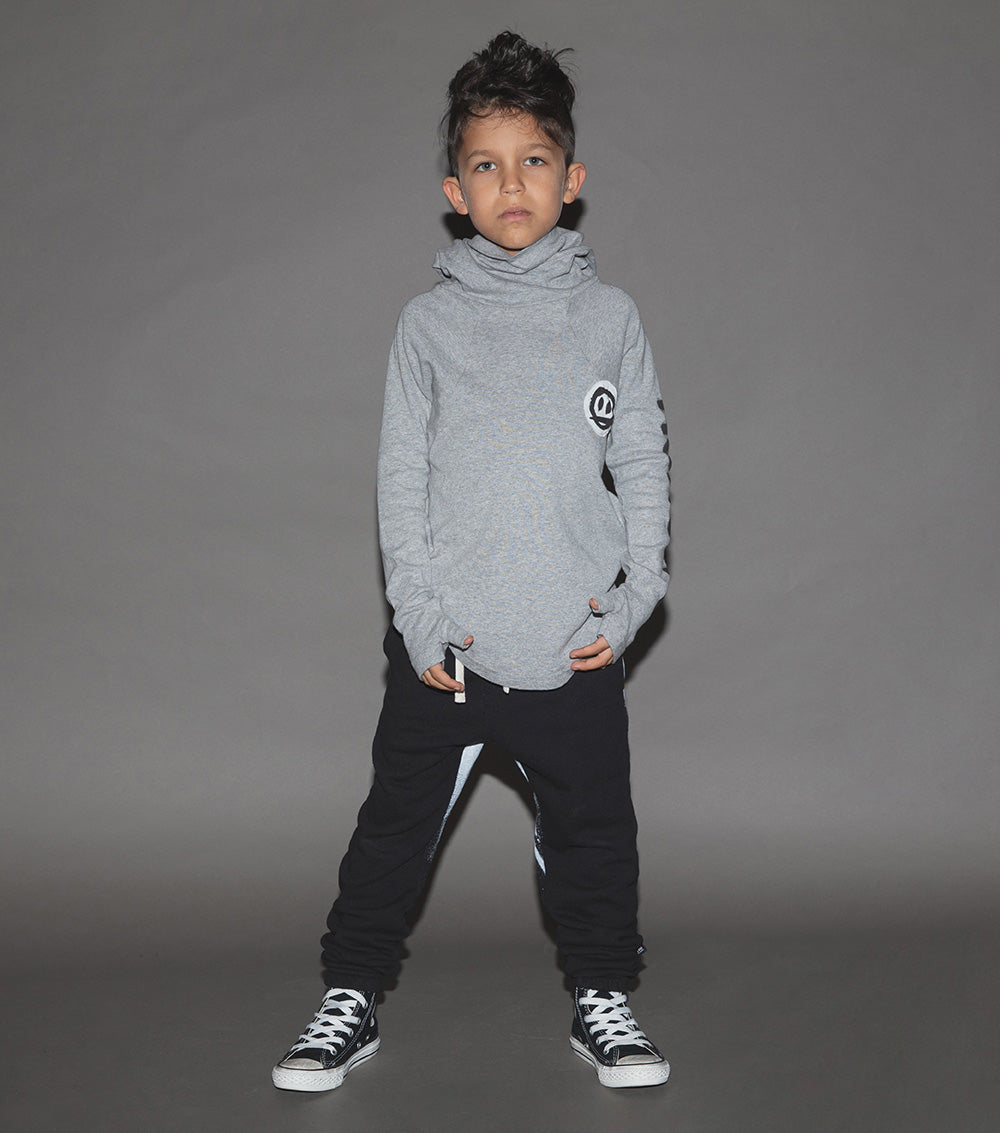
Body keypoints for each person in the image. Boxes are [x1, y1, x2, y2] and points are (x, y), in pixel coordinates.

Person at [272, 30, 671, 1092]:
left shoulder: (610, 319)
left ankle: (603, 993)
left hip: (572, 646)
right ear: (456, 192)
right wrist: (419, 617)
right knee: (390, 834)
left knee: (596, 836)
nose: (512, 182)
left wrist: (635, 599)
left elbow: (640, 459)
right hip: (448, 652)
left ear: (571, 179)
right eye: (486, 165)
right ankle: (349, 995)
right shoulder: (427, 327)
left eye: (534, 159)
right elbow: (399, 481)